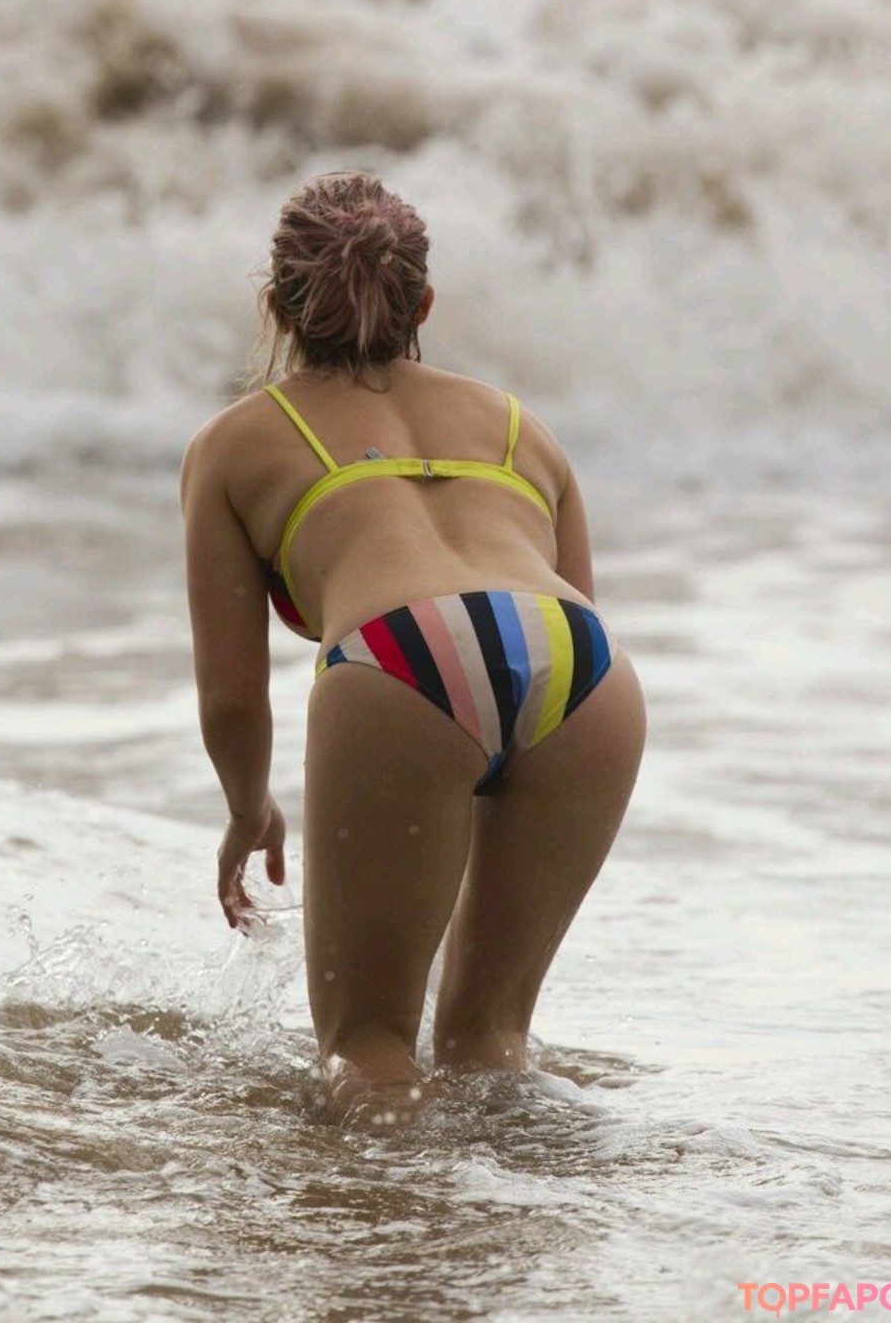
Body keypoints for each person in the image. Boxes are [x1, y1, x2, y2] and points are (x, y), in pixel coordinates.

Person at [180, 171, 646, 1125]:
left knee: (367, 1046)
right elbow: (534, 642)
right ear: (424, 304)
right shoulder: (520, 427)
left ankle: (392, 1214)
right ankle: (532, 1203)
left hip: (404, 657)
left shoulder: (233, 443)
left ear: (275, 307)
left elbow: (231, 697)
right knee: (491, 1040)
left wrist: (247, 811)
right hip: (582, 667)